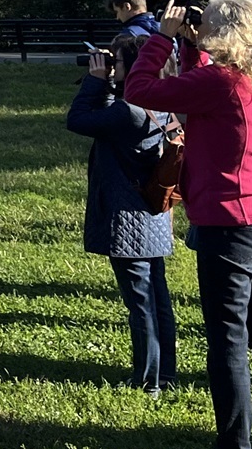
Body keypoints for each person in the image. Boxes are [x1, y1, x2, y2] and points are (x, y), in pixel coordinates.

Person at [123, 0, 252, 449]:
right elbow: (196, 85)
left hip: (230, 224)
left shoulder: (219, 82)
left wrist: (161, 38)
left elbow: (141, 89)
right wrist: (191, 47)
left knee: (228, 340)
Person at [68, 34, 178, 395]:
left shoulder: (126, 113)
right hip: (154, 214)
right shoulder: (161, 105)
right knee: (157, 296)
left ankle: (148, 379)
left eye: (116, 62)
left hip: (127, 217)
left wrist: (96, 81)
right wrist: (114, 82)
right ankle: (167, 372)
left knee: (140, 301)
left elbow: (79, 120)